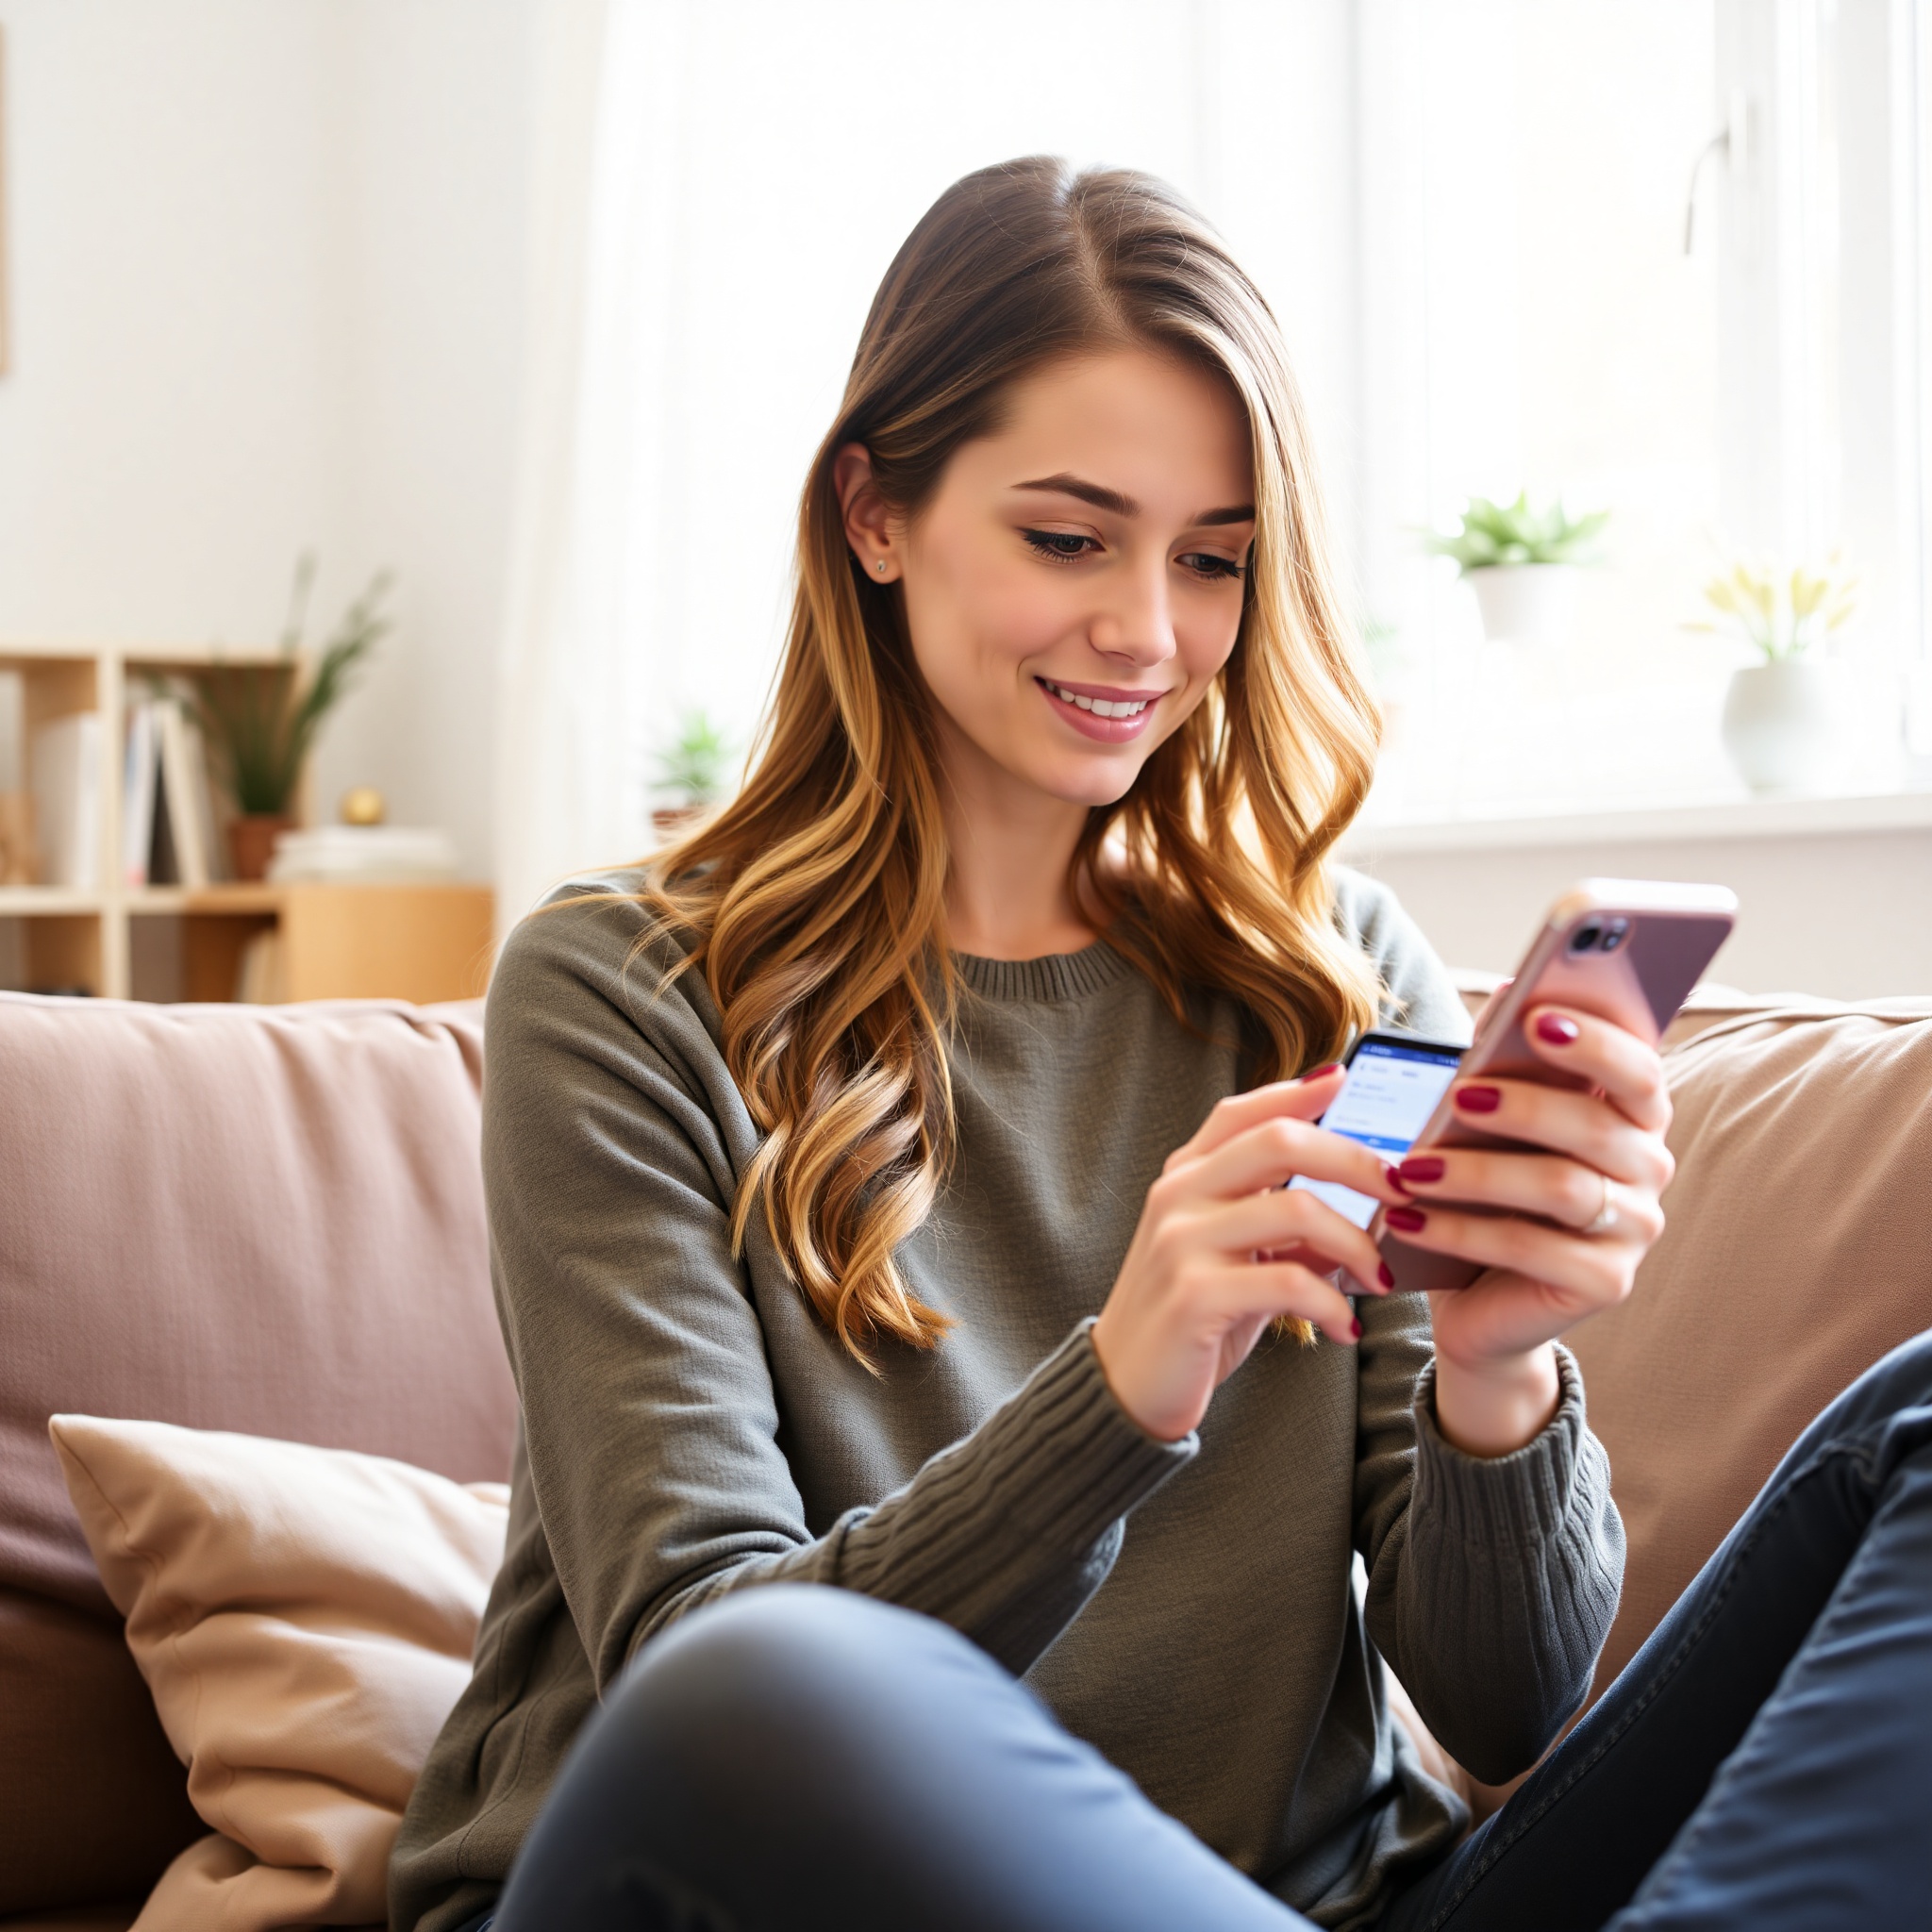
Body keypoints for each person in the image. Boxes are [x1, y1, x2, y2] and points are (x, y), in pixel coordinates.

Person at [392, 158, 1932, 1932]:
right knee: (770, 1684)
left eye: (1214, 561)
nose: (1149, 631)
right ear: (873, 511)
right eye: (1069, 537)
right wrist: (1124, 1383)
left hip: (1318, 1903)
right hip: (756, 1882)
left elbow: (1504, 1711)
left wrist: (1496, 1386)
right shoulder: (625, 993)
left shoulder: (1332, 970)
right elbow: (703, 1672)